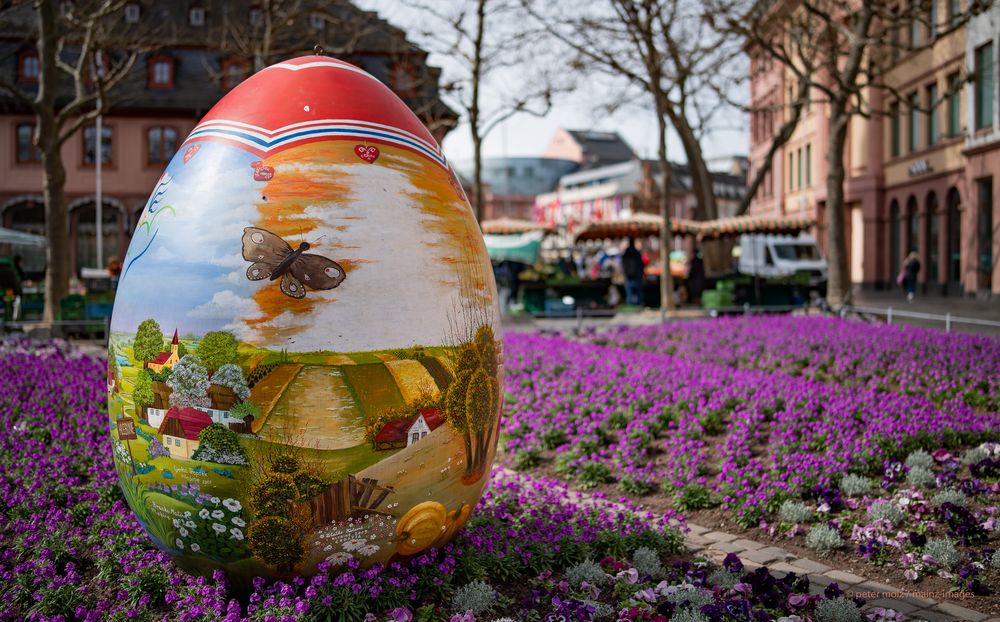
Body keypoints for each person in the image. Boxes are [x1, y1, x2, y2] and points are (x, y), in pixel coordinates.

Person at [621, 238, 645, 306]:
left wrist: (624, 273)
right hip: (637, 276)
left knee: (629, 294)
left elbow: (623, 265)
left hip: (628, 276)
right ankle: (638, 305)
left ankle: (630, 305)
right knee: (638, 294)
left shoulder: (626, 253)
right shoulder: (637, 253)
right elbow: (641, 265)